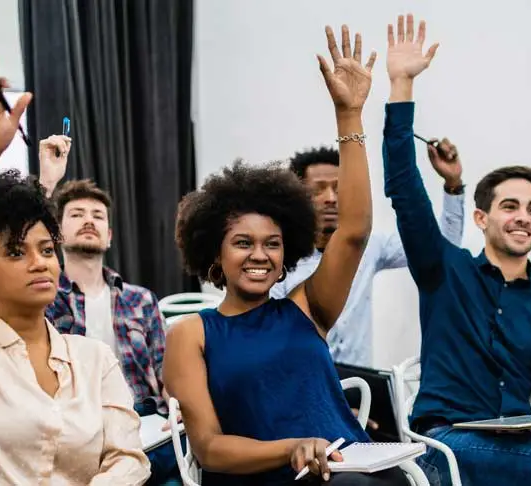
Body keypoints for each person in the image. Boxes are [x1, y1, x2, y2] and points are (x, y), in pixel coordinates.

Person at [164, 25, 409, 486]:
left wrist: (349, 115)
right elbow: (210, 448)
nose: (260, 255)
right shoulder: (190, 334)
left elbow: (354, 231)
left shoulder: (305, 308)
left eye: (272, 243)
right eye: (243, 243)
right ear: (215, 254)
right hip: (269, 477)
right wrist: (294, 449)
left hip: (350, 469)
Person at [0, 51, 149, 484]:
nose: (39, 262)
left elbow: (128, 460)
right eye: (17, 252)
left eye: (47, 249)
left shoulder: (93, 360)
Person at [381, 14, 531, 485]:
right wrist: (401, 84)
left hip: (517, 448)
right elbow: (405, 190)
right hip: (442, 443)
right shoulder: (443, 271)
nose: (523, 218)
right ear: (481, 218)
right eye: (510, 206)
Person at [38, 139, 174, 484]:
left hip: (147, 422)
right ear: (57, 233)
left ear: (109, 235)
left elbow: (165, 370)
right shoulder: (44, 301)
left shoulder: (141, 300)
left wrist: (178, 406)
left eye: (98, 216)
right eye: (77, 215)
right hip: (79, 427)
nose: (89, 221)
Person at [270, 140, 465, 367]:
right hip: (300, 382)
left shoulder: (368, 245)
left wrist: (453, 184)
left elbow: (440, 246)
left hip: (358, 387)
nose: (331, 198)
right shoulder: (278, 256)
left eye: (339, 188)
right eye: (318, 190)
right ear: (297, 198)